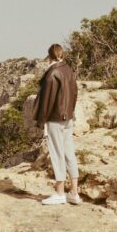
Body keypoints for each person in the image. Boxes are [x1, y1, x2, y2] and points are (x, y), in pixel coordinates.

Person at [32, 43, 81, 205]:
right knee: (69, 153)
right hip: (68, 117)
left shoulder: (51, 74)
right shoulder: (68, 70)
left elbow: (46, 101)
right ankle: (74, 192)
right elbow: (74, 93)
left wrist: (40, 121)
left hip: (54, 119)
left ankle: (60, 193)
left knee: (57, 154)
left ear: (49, 56)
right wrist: (70, 113)